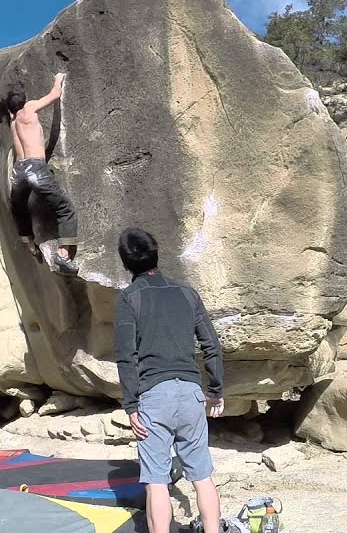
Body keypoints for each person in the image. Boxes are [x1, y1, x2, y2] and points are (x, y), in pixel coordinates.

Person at [113, 228, 225, 533]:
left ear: (125, 262)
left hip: (154, 397)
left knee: (156, 481)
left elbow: (126, 357)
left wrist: (131, 406)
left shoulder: (129, 299)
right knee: (202, 476)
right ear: (156, 254)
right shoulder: (187, 293)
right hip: (191, 393)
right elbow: (211, 345)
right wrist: (215, 390)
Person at [1, 72, 79, 275]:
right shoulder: (28, 109)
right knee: (65, 209)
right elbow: (54, 95)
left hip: (18, 171)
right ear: (24, 102)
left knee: (19, 209)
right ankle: (63, 255)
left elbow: (10, 110)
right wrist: (58, 78)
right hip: (35, 168)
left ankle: (30, 245)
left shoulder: (13, 121)